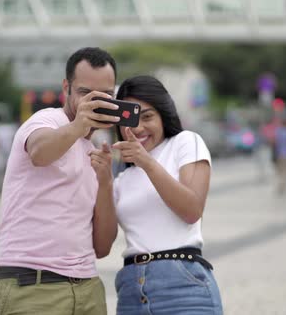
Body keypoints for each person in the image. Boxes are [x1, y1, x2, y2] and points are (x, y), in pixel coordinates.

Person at [0, 47, 120, 315]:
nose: (94, 102)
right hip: (34, 286)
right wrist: (78, 126)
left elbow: (103, 247)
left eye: (105, 96)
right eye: (86, 93)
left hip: (88, 287)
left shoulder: (95, 151)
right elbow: (39, 153)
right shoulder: (46, 120)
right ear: (66, 88)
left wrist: (106, 183)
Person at [90, 75, 223, 314]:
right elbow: (101, 246)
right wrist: (104, 183)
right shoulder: (122, 179)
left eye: (148, 116)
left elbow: (192, 210)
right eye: (129, 119)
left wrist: (146, 161)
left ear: (164, 114)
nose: (138, 127)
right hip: (131, 291)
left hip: (183, 287)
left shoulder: (185, 142)